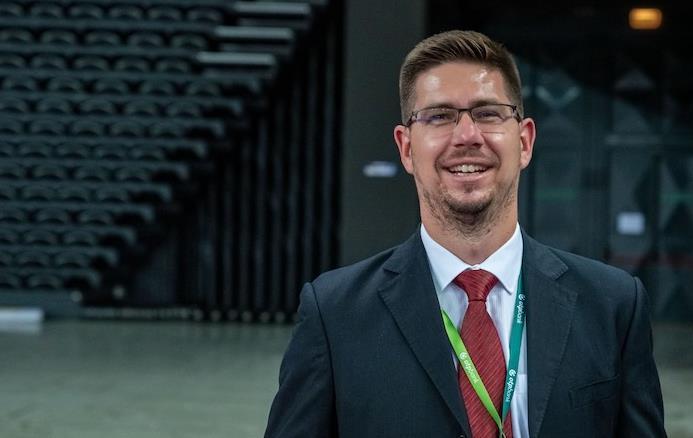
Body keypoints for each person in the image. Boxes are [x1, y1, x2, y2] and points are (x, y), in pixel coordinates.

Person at [264, 30, 666, 438]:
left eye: (488, 113)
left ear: (525, 141)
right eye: (439, 116)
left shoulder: (613, 305)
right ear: (406, 149)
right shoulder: (335, 314)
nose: (467, 135)